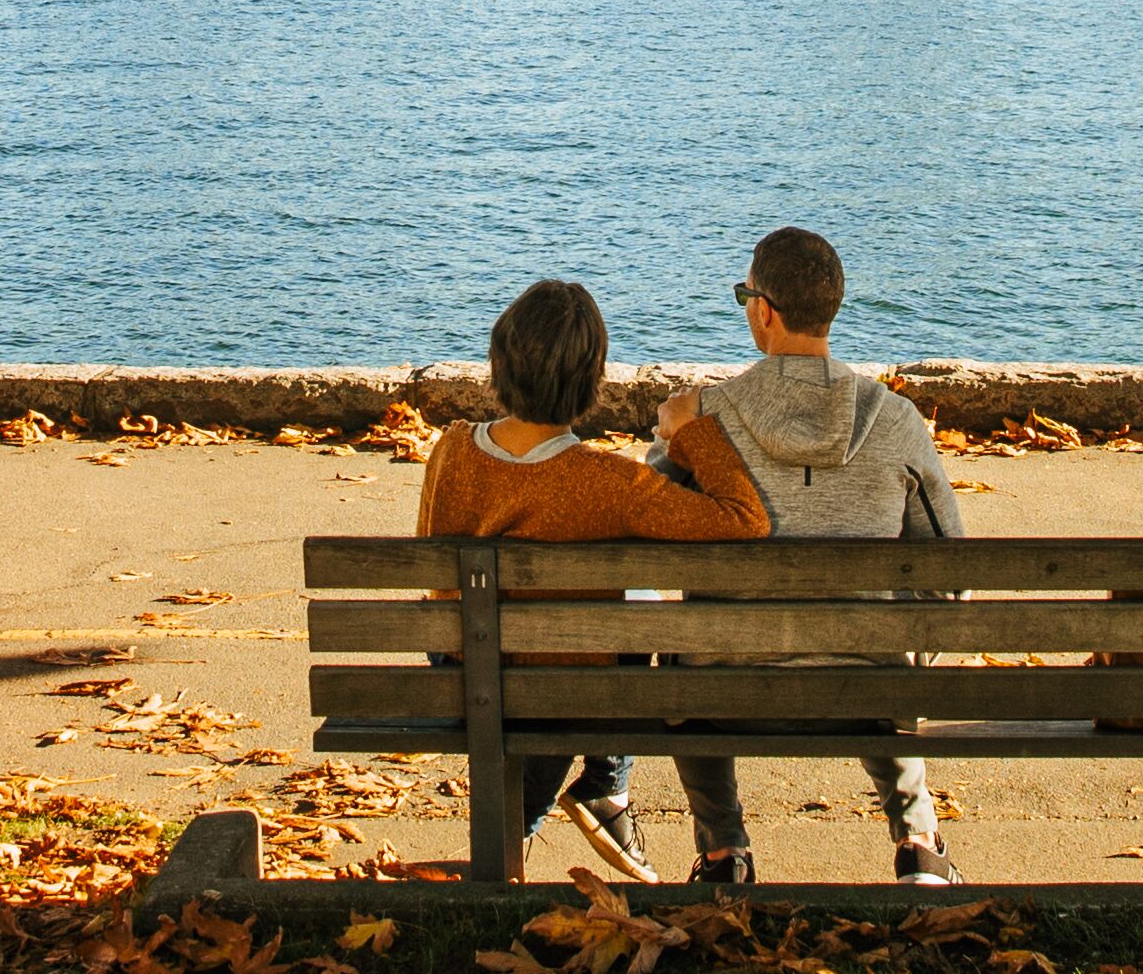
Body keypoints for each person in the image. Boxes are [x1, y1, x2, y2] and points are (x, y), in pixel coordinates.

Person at [412, 276, 771, 882]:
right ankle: (597, 790)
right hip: (562, 690)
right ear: (592, 381)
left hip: (462, 671)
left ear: (499, 362)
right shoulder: (609, 482)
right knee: (628, 627)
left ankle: (540, 830)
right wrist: (692, 432)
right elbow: (744, 519)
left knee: (549, 652)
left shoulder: (449, 450)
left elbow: (433, 565)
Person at [668, 225, 964, 885]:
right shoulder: (896, 420)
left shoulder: (704, 418)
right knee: (885, 635)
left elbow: (650, 529)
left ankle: (723, 851)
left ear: (764, 311)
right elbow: (952, 567)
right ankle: (917, 840)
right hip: (867, 684)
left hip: (724, 686)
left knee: (683, 644)